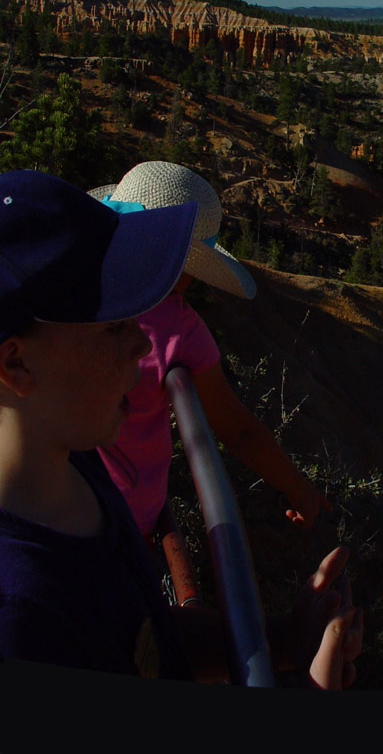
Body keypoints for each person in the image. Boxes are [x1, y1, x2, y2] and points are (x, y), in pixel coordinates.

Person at [0, 169, 355, 687]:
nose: (144, 346)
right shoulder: (20, 619)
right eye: (116, 325)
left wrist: (284, 640)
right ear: (16, 366)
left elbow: (140, 636)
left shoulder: (77, 474)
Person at [86, 162, 329, 607]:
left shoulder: (75, 288)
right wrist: (298, 487)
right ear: (185, 267)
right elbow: (236, 428)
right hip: (124, 516)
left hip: (48, 493)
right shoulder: (181, 328)